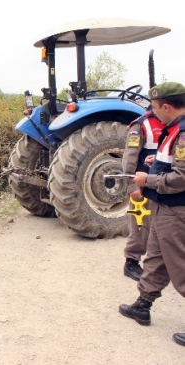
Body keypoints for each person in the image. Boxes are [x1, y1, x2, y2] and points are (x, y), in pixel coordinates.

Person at [119, 81, 185, 347]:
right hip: (162, 205)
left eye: (155, 107)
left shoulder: (182, 134)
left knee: (180, 266)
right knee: (156, 258)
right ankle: (143, 305)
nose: (153, 112)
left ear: (166, 106)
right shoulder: (172, 130)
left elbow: (182, 177)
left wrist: (148, 181)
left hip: (176, 209)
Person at [121, 110, 163, 281]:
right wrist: (132, 186)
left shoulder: (175, 124)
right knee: (141, 225)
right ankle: (131, 262)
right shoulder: (142, 125)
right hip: (143, 185)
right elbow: (130, 158)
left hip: (165, 184)